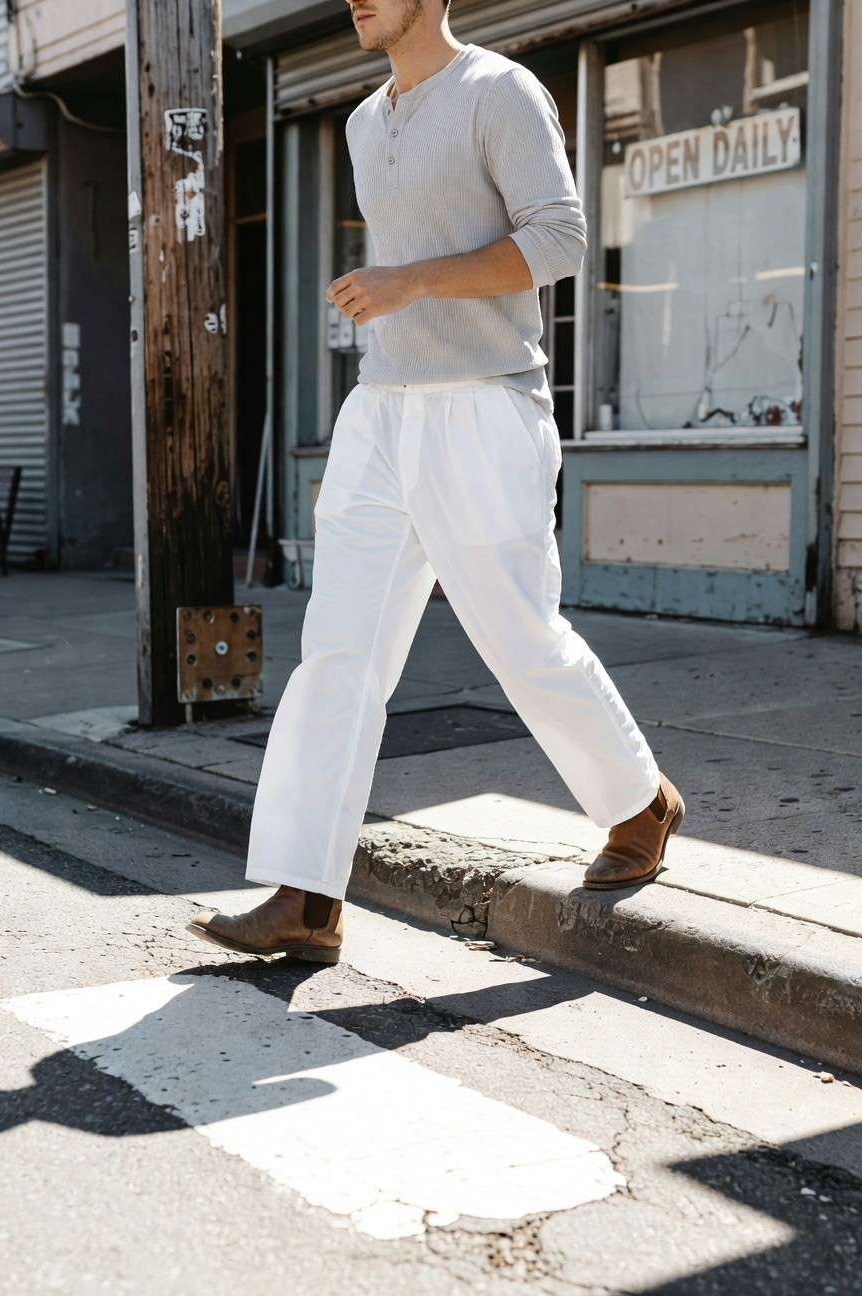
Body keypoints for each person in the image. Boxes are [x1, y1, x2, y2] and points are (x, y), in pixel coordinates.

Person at [187, 0, 684, 962]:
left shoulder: (501, 92)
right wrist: (396, 297)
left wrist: (409, 282)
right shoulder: (364, 121)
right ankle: (307, 893)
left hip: (485, 405)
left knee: (518, 634)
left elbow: (559, 242)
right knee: (338, 648)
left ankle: (639, 801)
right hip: (381, 411)